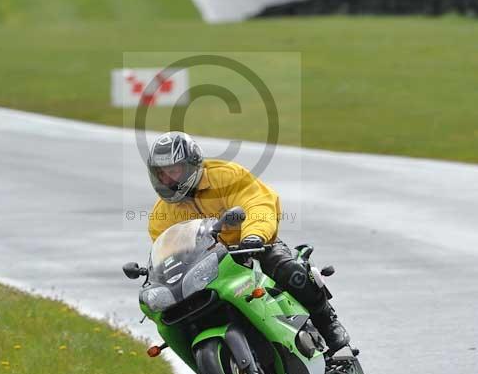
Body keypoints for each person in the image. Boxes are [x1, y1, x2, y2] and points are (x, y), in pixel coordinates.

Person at [147, 131, 350, 353]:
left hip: (250, 247)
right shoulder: (161, 215)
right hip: (208, 266)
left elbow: (258, 204)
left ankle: (328, 323)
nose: (167, 180)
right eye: (161, 174)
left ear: (192, 164)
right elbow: (168, 252)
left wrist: (253, 236)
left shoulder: (227, 177)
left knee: (290, 270)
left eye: (173, 171)